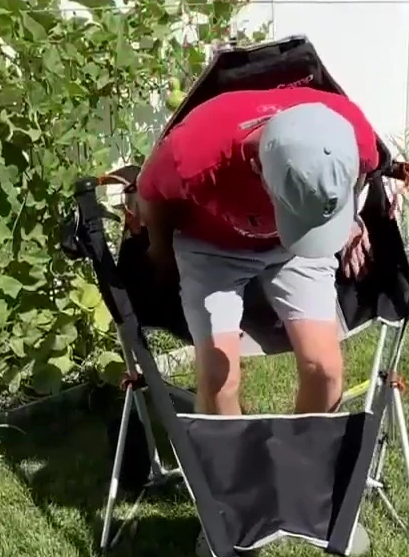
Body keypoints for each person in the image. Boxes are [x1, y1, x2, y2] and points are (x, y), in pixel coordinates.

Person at [137, 86, 380, 419]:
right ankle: (227, 453)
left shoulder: (351, 128)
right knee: (219, 380)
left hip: (296, 248)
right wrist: (160, 254)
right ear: (257, 169)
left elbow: (364, 168)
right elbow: (150, 195)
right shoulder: (194, 155)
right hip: (212, 249)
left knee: (325, 370)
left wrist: (346, 219)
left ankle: (303, 451)